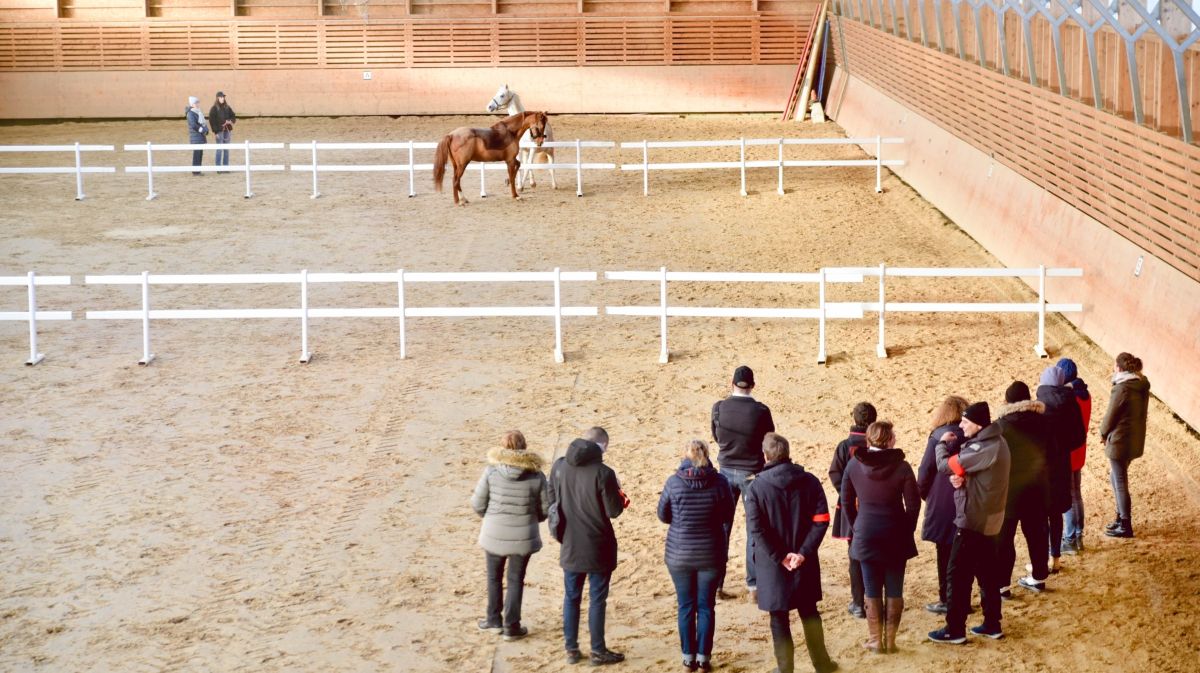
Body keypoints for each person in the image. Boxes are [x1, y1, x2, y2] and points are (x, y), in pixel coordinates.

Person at [745, 433, 838, 673]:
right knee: (809, 613)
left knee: (779, 618)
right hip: (803, 561)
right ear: (787, 453)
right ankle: (822, 664)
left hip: (773, 565)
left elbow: (756, 530)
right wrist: (803, 553)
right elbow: (821, 520)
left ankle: (785, 669)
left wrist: (780, 557)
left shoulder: (756, 488)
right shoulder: (810, 481)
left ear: (765, 456)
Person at [928, 402, 1010, 644]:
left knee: (957, 574)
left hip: (974, 520)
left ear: (978, 424)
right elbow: (979, 475)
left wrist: (941, 444)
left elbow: (945, 465)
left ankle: (954, 629)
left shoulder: (983, 447)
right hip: (989, 519)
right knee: (987, 573)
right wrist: (963, 480)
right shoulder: (996, 442)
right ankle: (992, 624)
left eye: (965, 422)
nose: (961, 426)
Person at [550, 426, 628, 666]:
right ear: (602, 446)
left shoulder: (560, 466)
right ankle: (597, 650)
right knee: (597, 599)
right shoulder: (604, 473)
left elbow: (551, 497)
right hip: (598, 544)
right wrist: (618, 490)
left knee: (571, 597)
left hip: (570, 542)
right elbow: (614, 510)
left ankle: (571, 649)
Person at [840, 421, 919, 655]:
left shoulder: (854, 465)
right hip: (895, 531)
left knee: (871, 587)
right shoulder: (902, 467)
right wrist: (907, 529)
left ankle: (876, 641)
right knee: (895, 588)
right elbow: (913, 504)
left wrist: (856, 526)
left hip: (866, 532)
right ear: (890, 440)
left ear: (869, 439)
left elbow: (846, 501)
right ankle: (890, 641)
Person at [657, 439, 735, 672]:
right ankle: (703, 658)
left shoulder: (674, 482)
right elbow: (727, 514)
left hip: (679, 554)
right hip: (711, 553)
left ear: (685, 456)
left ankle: (688, 658)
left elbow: (663, 515)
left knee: (685, 606)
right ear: (707, 455)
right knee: (706, 606)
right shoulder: (720, 482)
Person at [471, 430, 549, 641]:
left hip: (494, 533)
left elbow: (477, 503)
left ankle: (493, 620)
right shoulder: (537, 475)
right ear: (524, 447)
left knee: (493, 577)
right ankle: (511, 626)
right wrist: (531, 519)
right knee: (516, 579)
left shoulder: (491, 472)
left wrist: (490, 518)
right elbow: (545, 508)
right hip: (524, 535)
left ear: (503, 448)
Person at [710, 365, 775, 602]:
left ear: (732, 383)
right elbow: (768, 440)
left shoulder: (719, 408)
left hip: (726, 472)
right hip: (752, 473)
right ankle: (754, 586)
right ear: (753, 386)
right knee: (754, 528)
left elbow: (716, 436)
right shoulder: (761, 411)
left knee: (721, 529)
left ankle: (716, 585)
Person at [994, 381, 1052, 595]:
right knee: (1037, 535)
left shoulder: (1001, 426)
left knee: (1004, 539)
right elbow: (1053, 454)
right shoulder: (1045, 422)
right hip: (1037, 488)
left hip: (1009, 492)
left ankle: (1002, 583)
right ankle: (1039, 576)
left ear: (1008, 401)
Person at [916, 396, 968, 615]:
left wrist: (925, 495)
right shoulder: (971, 434)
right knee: (964, 553)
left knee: (944, 553)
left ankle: (946, 599)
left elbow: (925, 470)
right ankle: (962, 599)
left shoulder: (937, 436)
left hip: (942, 501)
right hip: (967, 499)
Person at [827, 401, 875, 619]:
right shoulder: (878, 444)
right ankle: (873, 601)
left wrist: (848, 494)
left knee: (855, 554)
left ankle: (857, 603)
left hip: (851, 507)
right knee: (875, 554)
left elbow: (835, 474)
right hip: (875, 505)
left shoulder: (844, 446)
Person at [1036, 365, 1086, 572]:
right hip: (1062, 465)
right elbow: (1079, 437)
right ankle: (1055, 557)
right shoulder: (1071, 403)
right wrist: (1063, 447)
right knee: (1056, 514)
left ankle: (1041, 561)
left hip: (1042, 468)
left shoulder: (1039, 404)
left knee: (1040, 516)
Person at [1099, 353, 1150, 539]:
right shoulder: (1142, 384)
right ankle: (1120, 518)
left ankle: (1125, 524)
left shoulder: (1122, 389)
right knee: (1115, 477)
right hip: (1134, 439)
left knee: (1119, 481)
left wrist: (1103, 433)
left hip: (1120, 440)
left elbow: (1110, 416)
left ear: (1119, 368)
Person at [1056, 358, 1091, 552]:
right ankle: (1078, 536)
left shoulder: (1069, 398)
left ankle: (1069, 538)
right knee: (1076, 493)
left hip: (1068, 451)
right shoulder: (1086, 395)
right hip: (1080, 449)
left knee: (1069, 496)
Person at [208, 91, 236, 169]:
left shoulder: (227, 107)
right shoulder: (214, 108)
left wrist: (230, 121)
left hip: (227, 130)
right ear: (218, 98)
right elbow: (212, 121)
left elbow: (233, 115)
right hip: (219, 130)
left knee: (226, 149)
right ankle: (218, 168)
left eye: (223, 97)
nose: (223, 98)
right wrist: (216, 132)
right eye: (221, 97)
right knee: (219, 149)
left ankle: (226, 167)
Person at [185, 96, 208, 176]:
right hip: (196, 137)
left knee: (200, 154)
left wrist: (206, 129)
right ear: (192, 104)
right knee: (197, 154)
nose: (198, 104)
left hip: (200, 136)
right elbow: (193, 125)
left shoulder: (198, 112)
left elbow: (203, 123)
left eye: (198, 102)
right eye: (196, 103)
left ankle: (198, 171)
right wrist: (202, 130)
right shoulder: (190, 113)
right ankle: (195, 172)